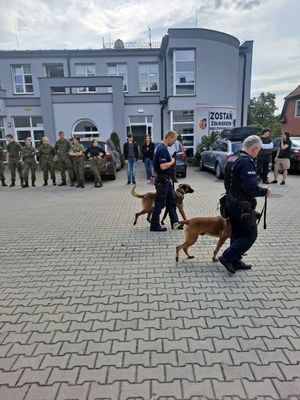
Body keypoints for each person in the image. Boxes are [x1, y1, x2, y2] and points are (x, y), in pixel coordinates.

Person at [219, 135, 271, 274]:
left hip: (230, 202)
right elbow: (250, 187)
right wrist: (264, 191)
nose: (258, 153)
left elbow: (226, 181)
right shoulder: (247, 162)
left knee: (237, 233)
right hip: (242, 205)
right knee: (250, 236)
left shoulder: (233, 158)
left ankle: (235, 260)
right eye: (259, 150)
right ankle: (227, 257)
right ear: (254, 148)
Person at [150, 130, 180, 232]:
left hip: (166, 180)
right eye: (174, 139)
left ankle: (175, 223)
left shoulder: (159, 147)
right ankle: (154, 225)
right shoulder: (162, 149)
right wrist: (172, 161)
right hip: (163, 180)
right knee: (160, 203)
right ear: (169, 138)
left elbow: (154, 164)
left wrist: (153, 176)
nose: (174, 142)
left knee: (172, 202)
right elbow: (162, 166)